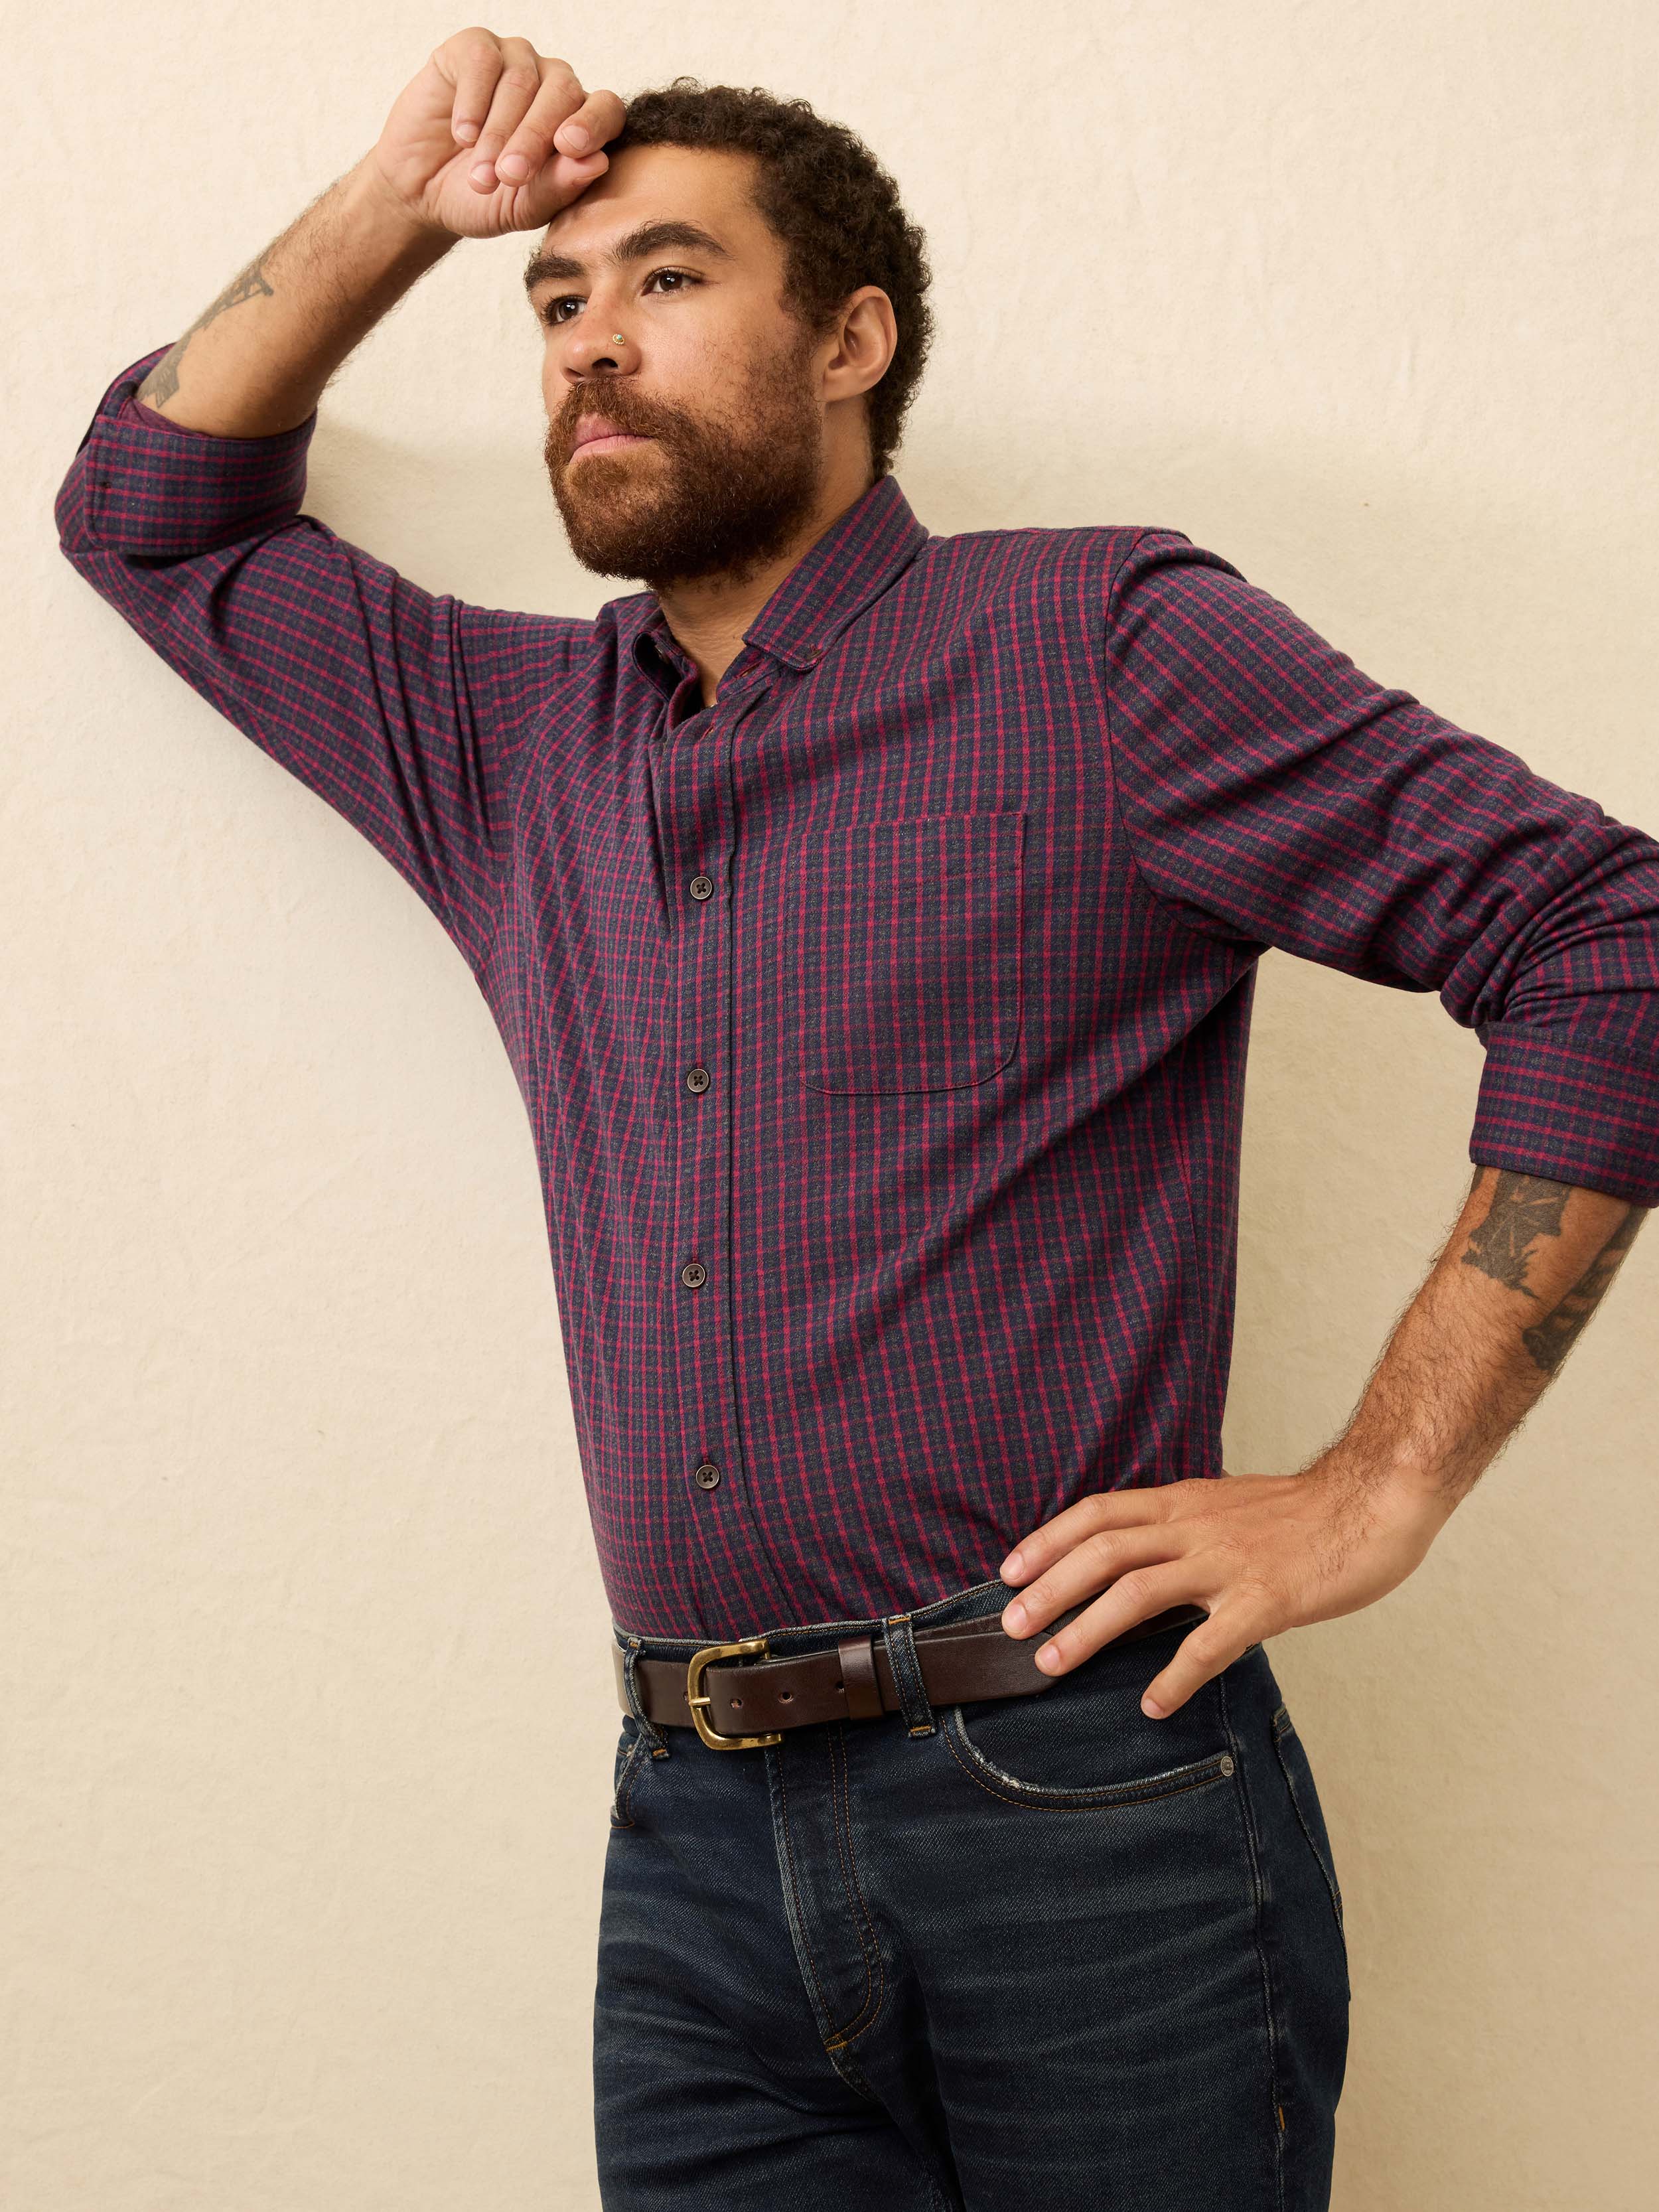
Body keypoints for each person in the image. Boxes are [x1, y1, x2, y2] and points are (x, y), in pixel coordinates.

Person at [54, 29, 1658, 2212]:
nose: (590, 343)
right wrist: (405, 197)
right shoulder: (514, 743)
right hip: (690, 1837)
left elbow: (1602, 932)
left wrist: (1379, 1487)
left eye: (667, 279)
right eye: (555, 298)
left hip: (1081, 1811)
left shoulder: (1094, 646)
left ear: (850, 340)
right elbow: (148, 515)